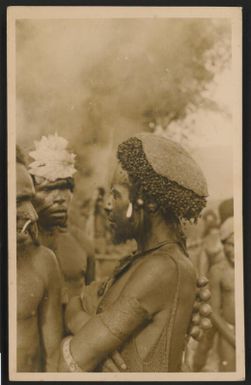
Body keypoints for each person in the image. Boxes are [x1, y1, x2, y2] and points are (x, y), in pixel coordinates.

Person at [58, 133, 212, 372]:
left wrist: (85, 334)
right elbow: (81, 304)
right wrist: (87, 330)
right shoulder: (145, 260)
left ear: (149, 203)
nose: (108, 204)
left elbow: (70, 362)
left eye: (116, 194)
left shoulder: (162, 267)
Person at [28, 134, 95, 313]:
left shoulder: (82, 243)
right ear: (31, 195)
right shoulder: (18, 245)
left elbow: (91, 303)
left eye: (65, 188)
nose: (59, 198)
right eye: (49, 189)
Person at [16, 146, 63, 372]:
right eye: (18, 201)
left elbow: (54, 359)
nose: (33, 215)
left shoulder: (44, 262)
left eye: (30, 201)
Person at [193, 216, 235, 372]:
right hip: (215, 290)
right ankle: (196, 369)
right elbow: (203, 272)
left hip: (219, 290)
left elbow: (202, 272)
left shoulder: (211, 242)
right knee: (207, 337)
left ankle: (197, 366)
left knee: (207, 338)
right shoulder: (211, 245)